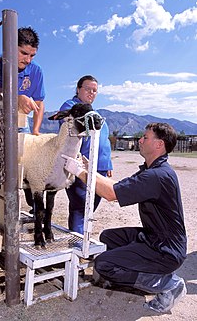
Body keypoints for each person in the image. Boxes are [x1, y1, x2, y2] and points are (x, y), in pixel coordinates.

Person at [62, 122, 187, 313]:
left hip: (166, 250)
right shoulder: (152, 170)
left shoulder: (157, 175)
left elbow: (111, 194)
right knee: (108, 238)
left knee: (104, 264)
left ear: (159, 144)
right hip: (155, 238)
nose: (140, 140)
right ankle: (149, 268)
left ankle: (168, 283)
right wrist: (91, 171)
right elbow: (118, 186)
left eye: (145, 137)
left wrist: (80, 173)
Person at [59, 75, 113, 234]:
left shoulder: (95, 113)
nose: (91, 93)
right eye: (88, 89)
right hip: (81, 165)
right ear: (78, 89)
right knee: (80, 207)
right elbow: (71, 124)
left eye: (95, 90)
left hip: (100, 167)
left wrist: (108, 163)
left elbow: (104, 140)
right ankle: (77, 246)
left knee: (89, 209)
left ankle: (82, 241)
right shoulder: (71, 106)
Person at [0, 26, 45, 135]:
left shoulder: (37, 70)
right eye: (24, 53)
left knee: (24, 149)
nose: (28, 60)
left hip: (20, 117)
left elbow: (39, 103)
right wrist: (18, 99)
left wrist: (36, 130)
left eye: (32, 55)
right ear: (11, 47)